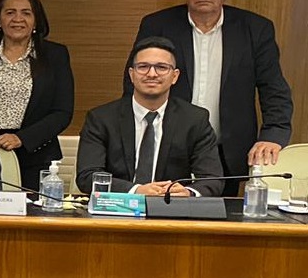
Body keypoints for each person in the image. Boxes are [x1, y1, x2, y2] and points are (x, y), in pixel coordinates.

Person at [128, 0, 293, 178]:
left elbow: (273, 88)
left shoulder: (255, 29)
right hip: (166, 146)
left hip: (227, 149)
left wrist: (272, 134)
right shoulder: (158, 25)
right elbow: (136, 83)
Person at [80, 37, 223, 196]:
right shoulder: (101, 119)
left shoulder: (194, 119)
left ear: (175, 76)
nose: (152, 74)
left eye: (161, 67)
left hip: (170, 206)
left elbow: (213, 178)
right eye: (143, 67)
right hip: (118, 206)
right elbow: (87, 176)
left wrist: (188, 193)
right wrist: (136, 190)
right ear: (131, 74)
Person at [0, 0, 74, 190]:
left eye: (26, 13)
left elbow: (62, 112)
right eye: (10, 12)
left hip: (36, 155)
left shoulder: (55, 55)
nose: (18, 19)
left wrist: (22, 138)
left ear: (36, 21)